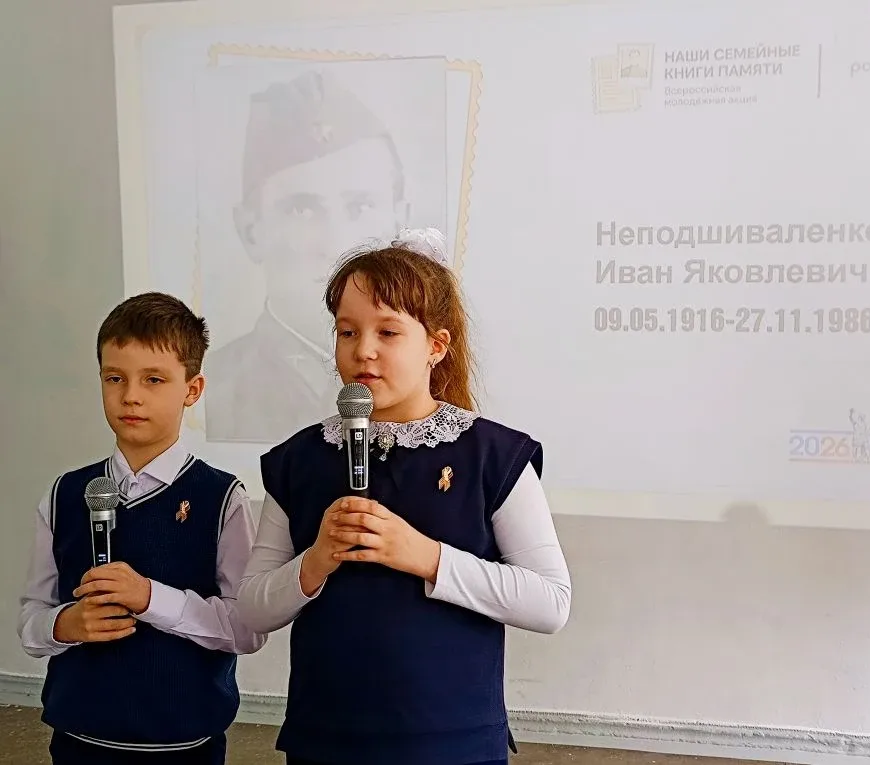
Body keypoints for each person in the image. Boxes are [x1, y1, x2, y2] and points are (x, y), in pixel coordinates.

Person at [236, 228, 572, 765]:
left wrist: (425, 556)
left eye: (388, 332)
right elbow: (252, 608)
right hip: (325, 740)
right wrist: (315, 561)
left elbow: (550, 603)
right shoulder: (300, 460)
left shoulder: (492, 455)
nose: (362, 351)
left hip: (452, 742)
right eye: (347, 332)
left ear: (436, 346)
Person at [17, 292, 268, 764]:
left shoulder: (222, 498)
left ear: (192, 389)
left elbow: (246, 629)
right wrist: (64, 624)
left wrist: (151, 598)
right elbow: (32, 617)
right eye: (115, 378)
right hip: (78, 741)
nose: (130, 395)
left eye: (153, 379)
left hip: (183, 746)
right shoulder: (65, 494)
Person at [203, 68, 415, 445]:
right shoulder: (211, 389)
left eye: (361, 206)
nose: (337, 244)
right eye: (302, 210)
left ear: (401, 222)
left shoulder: (434, 382)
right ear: (251, 231)